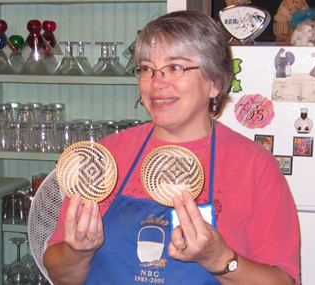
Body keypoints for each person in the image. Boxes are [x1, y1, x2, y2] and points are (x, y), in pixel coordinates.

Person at [44, 10, 300, 285]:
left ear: (214, 82)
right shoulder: (105, 158)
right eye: (146, 68)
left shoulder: (253, 166)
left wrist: (219, 259)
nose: (156, 83)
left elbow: (282, 281)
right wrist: (77, 251)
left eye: (176, 67)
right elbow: (61, 276)